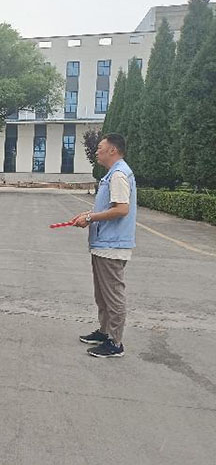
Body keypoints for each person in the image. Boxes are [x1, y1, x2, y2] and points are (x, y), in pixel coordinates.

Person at [71, 133, 137, 358]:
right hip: (103, 244)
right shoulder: (112, 174)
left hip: (112, 245)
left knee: (113, 295)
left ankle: (115, 343)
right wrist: (89, 214)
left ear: (113, 150)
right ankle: (104, 331)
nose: (97, 151)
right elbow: (110, 207)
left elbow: (121, 209)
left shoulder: (119, 174)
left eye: (100, 147)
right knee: (102, 294)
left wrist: (91, 219)